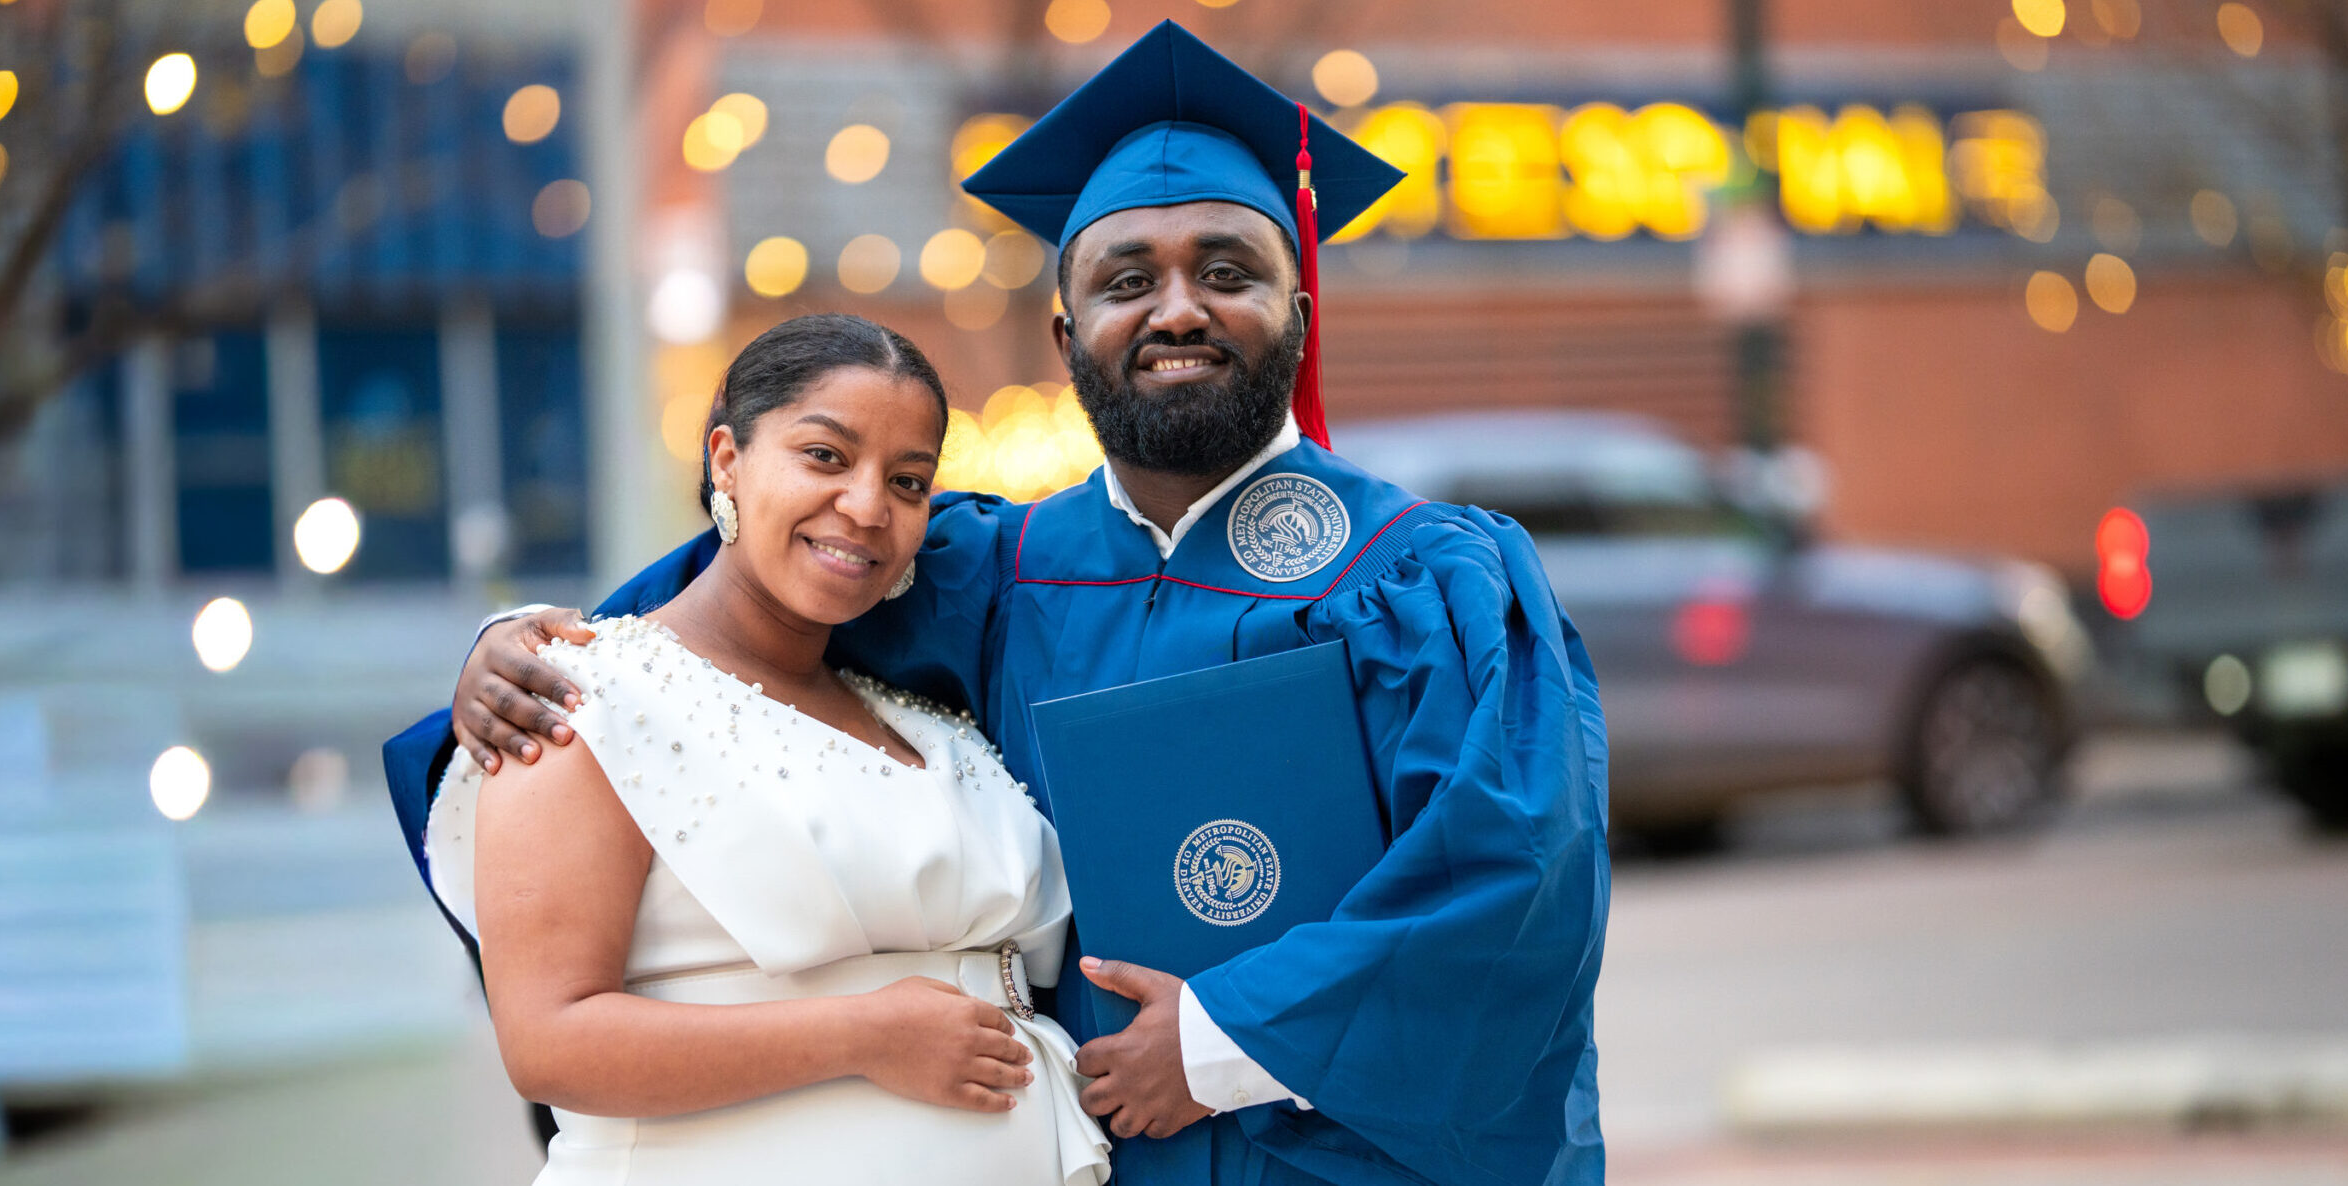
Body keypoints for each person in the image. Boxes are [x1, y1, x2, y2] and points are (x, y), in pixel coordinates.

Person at [392, 21, 1610, 1186]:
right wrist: (525, 648)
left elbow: (1512, 882)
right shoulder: (986, 571)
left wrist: (1218, 1044)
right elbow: (734, 613)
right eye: (1128, 278)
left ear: (1298, 313)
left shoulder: (1430, 578)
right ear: (1066, 329)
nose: (1176, 307)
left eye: (1226, 271)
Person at [420, 313, 1110, 1185]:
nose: (866, 506)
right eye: (824, 456)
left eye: (907, 480)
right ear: (727, 460)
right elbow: (549, 1040)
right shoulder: (573, 696)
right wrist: (863, 1036)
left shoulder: (920, 709)